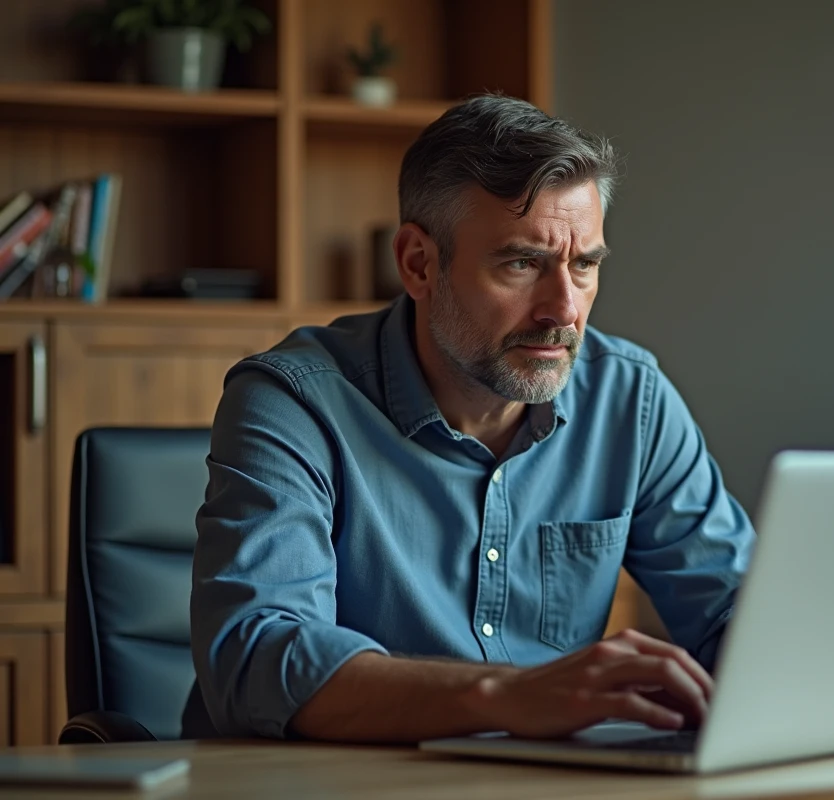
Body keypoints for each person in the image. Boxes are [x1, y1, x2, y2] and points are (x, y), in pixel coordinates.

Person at [185, 94, 756, 743]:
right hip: (333, 781)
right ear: (418, 264)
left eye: (584, 265)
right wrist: (505, 696)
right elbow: (257, 659)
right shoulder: (295, 403)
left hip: (556, 781)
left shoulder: (631, 400)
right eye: (522, 263)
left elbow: (736, 607)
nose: (564, 309)